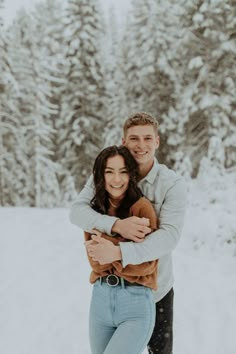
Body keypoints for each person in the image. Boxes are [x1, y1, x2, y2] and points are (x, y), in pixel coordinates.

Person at [70, 112, 187, 354]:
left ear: (157, 141)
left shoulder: (171, 184)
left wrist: (118, 252)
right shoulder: (110, 172)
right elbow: (77, 212)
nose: (140, 145)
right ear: (124, 141)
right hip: (111, 292)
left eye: (147, 138)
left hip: (156, 290)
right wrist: (116, 225)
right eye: (134, 138)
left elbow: (169, 237)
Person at [84, 145, 159, 354]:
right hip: (100, 299)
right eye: (109, 171)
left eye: (123, 171)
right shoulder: (95, 211)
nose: (116, 180)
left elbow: (146, 264)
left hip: (135, 302)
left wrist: (110, 248)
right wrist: (124, 247)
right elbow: (96, 260)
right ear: (100, 175)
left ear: (131, 174)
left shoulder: (142, 208)